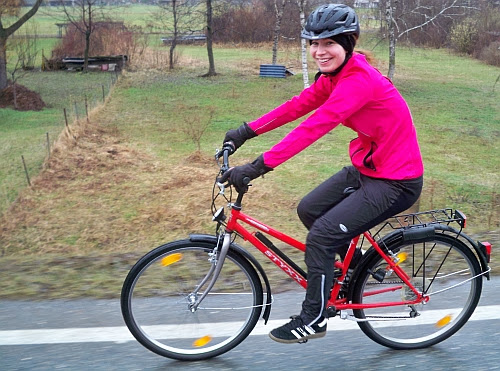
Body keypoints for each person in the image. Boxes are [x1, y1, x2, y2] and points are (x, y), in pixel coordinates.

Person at [220, 3, 424, 344]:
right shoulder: (335, 76)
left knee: (322, 237)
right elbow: (298, 105)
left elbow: (313, 127)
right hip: (369, 167)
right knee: (309, 210)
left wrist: (257, 167)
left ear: (348, 43)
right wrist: (245, 131)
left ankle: (314, 317)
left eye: (328, 43)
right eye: (312, 44)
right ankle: (357, 267)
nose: (318, 51)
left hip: (395, 181)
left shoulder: (358, 82)